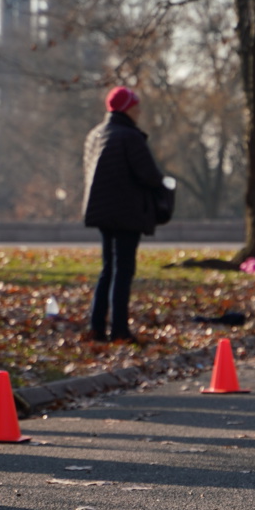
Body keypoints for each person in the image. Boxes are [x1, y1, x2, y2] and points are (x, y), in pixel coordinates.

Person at [82, 86, 168, 342]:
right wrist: (163, 188)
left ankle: (96, 326)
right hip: (127, 211)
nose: (139, 111)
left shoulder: (96, 134)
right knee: (123, 270)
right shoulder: (130, 136)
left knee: (108, 269)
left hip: (102, 211)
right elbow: (149, 175)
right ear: (126, 108)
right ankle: (119, 329)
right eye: (136, 106)